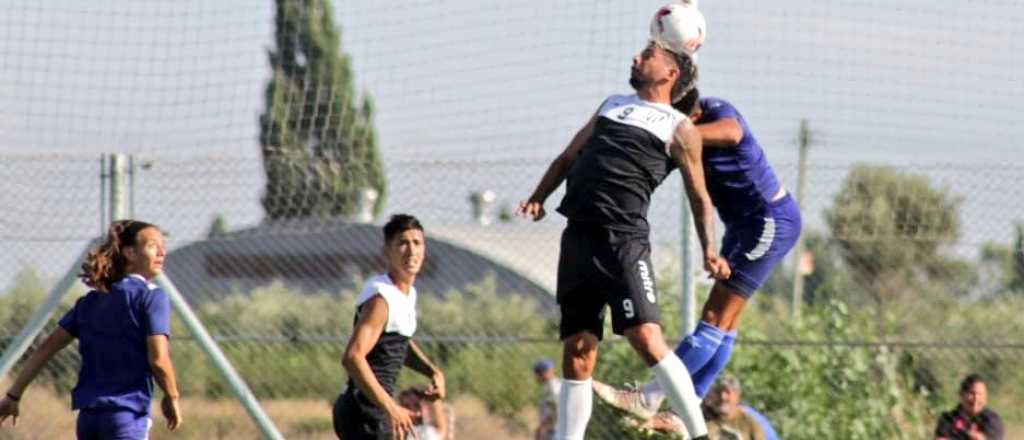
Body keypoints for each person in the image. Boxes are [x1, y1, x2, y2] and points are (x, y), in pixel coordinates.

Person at [518, 41, 723, 440]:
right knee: (578, 350)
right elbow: (567, 157)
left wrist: (710, 250)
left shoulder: (679, 128)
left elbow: (700, 195)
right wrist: (538, 196)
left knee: (646, 338)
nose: (636, 58)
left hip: (623, 243)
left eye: (647, 56)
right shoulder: (612, 105)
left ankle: (698, 434)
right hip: (578, 238)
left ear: (670, 74)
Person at [592, 88, 802, 420]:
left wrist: (681, 133)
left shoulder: (716, 111)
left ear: (695, 115)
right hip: (742, 227)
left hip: (769, 220)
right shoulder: (679, 140)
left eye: (676, 119)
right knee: (724, 323)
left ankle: (649, 397)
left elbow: (733, 133)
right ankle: (682, 412)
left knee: (716, 317)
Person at [0, 220, 182, 439]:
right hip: (127, 416)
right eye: (153, 245)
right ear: (130, 253)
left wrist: (13, 395)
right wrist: (172, 396)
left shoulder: (90, 302)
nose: (162, 252)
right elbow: (158, 359)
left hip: (88, 419)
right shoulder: (151, 296)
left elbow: (46, 348)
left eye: (163, 245)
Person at [333, 214, 447, 440]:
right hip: (364, 412)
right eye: (403, 243)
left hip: (372, 410)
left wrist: (433, 372)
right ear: (386, 251)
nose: (411, 251)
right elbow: (353, 357)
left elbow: (397, 344)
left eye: (417, 243)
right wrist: (391, 408)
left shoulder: (406, 294)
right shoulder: (382, 299)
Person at [934, 373, 1004, 440]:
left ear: (986, 397)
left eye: (980, 394)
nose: (976, 399)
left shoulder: (992, 420)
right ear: (961, 394)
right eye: (972, 393)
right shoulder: (948, 419)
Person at [703, 375, 765, 440]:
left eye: (727, 392)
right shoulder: (704, 419)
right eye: (718, 392)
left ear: (737, 396)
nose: (722, 397)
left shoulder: (750, 424)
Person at [532, 359, 561, 440]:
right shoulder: (551, 385)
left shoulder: (552, 388)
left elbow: (556, 409)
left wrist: (543, 427)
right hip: (553, 429)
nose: (536, 376)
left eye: (538, 373)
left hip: (554, 430)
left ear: (546, 372)